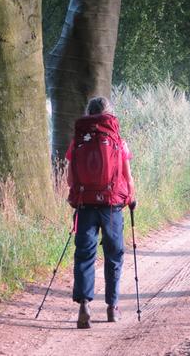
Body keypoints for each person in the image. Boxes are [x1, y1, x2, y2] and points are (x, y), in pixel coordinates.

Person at [65, 96, 136, 329]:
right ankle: (112, 307)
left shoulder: (78, 141)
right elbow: (127, 175)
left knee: (85, 254)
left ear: (89, 113)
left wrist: (77, 197)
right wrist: (131, 198)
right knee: (113, 255)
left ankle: (84, 306)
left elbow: (70, 178)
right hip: (112, 205)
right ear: (108, 114)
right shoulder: (118, 140)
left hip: (85, 204)